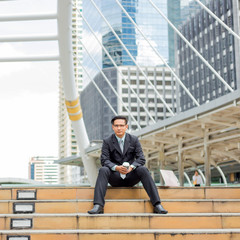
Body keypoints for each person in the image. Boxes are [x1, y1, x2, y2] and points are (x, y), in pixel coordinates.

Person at [88, 115, 168, 214]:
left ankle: (157, 204)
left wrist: (131, 167)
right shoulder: (107, 141)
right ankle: (98, 205)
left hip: (131, 176)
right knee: (103, 170)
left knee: (143, 169)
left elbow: (141, 158)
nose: (119, 128)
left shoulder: (134, 140)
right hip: (115, 177)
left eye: (121, 125)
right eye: (116, 126)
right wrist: (116, 167)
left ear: (126, 127)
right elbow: (104, 160)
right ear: (113, 127)